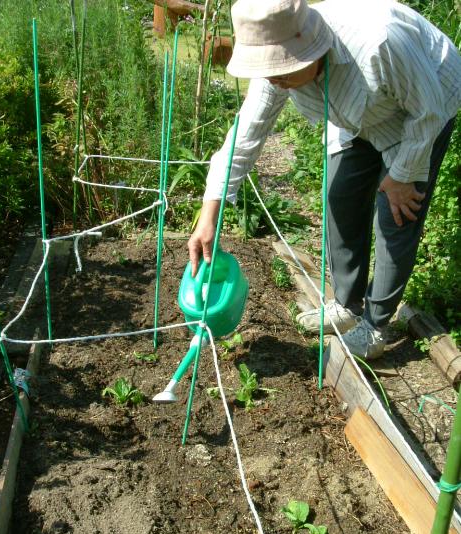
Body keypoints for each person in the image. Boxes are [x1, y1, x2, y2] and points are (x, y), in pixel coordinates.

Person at [187, 0, 460, 359]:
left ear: (310, 51)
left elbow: (430, 110)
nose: (274, 79)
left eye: (282, 71)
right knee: (340, 195)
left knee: (396, 215)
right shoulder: (276, 68)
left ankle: (376, 327)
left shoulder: (379, 43)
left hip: (422, 103)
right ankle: (347, 305)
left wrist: (404, 175)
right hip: (357, 112)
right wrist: (209, 214)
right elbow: (244, 138)